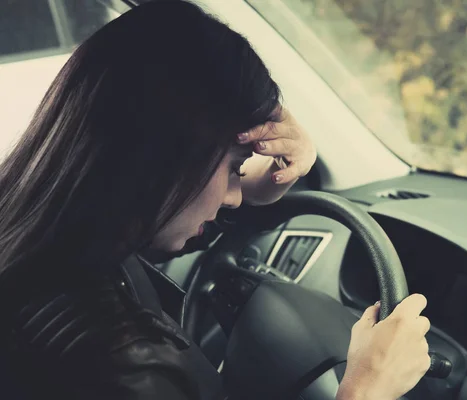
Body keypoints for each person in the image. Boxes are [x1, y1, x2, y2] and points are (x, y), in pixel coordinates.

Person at [0, 1, 431, 399]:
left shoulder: (36, 231)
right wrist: (366, 387)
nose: (234, 197)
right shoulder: (129, 372)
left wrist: (260, 186)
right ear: (165, 157)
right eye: (233, 167)